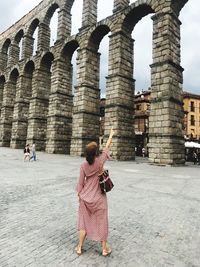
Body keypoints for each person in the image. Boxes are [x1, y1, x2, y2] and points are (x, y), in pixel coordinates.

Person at [75, 127, 114, 257]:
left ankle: (80, 247)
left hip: (86, 198)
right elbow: (107, 148)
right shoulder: (100, 162)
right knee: (102, 221)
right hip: (99, 198)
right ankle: (104, 249)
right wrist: (111, 135)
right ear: (96, 153)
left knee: (83, 223)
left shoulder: (83, 165)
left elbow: (80, 183)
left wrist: (79, 195)